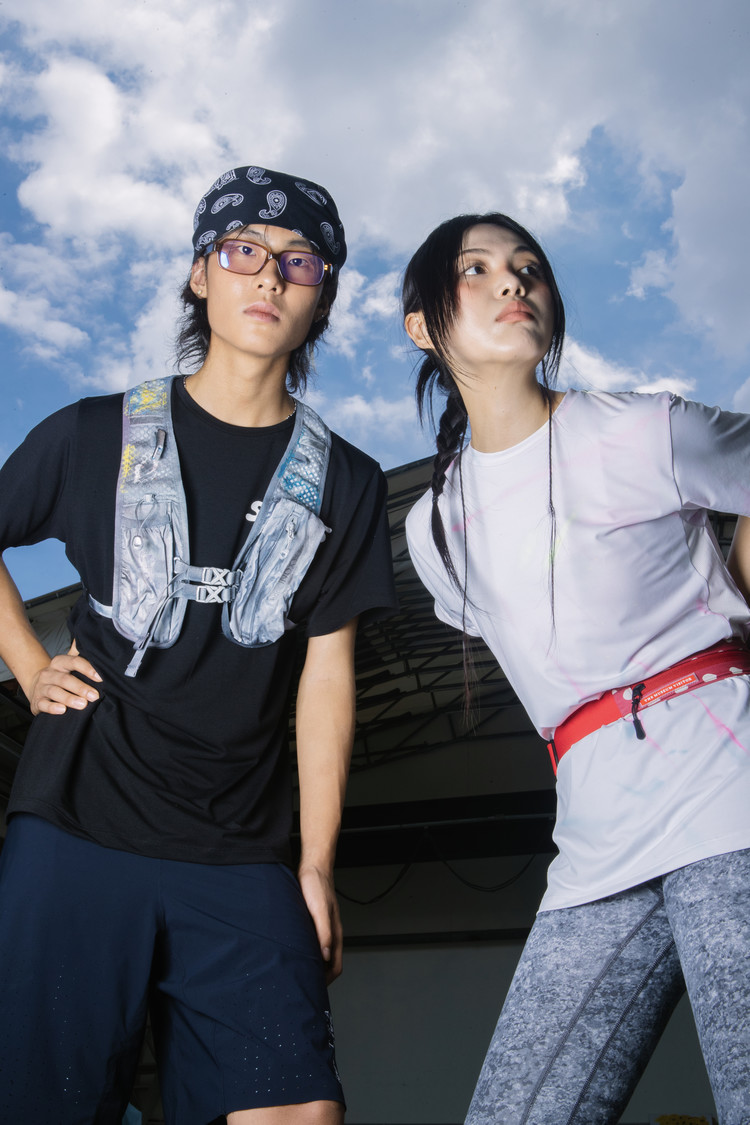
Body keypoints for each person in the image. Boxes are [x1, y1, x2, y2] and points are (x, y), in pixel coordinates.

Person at [0, 164, 397, 1124]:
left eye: (298, 262)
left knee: (299, 1109)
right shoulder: (95, 431)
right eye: (244, 251)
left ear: (322, 295)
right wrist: (30, 667)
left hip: (242, 846)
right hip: (79, 824)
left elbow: (327, 677)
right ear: (200, 274)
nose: (268, 276)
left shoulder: (347, 480)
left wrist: (315, 864)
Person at [402, 212, 750, 1124]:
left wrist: (737, 599)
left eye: (529, 267)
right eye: (476, 270)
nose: (512, 281)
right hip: (594, 836)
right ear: (422, 326)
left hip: (728, 786)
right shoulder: (434, 525)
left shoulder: (645, 428)